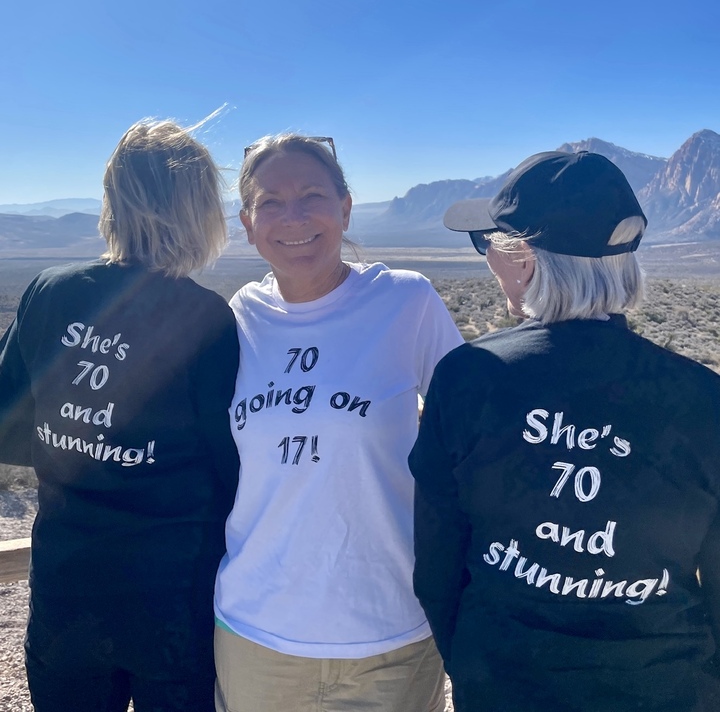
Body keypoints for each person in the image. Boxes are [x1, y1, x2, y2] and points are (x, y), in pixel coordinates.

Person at [409, 149, 720, 712]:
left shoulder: (469, 377)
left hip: (504, 684)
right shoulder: (703, 398)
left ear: (525, 259)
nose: (487, 261)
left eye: (487, 243)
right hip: (665, 688)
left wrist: (471, 663)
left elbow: (437, 562)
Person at [213, 133, 464, 712]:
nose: (293, 217)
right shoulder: (238, 318)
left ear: (346, 208)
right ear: (248, 224)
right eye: (270, 202)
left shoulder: (406, 302)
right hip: (257, 634)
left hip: (392, 633)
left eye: (312, 195)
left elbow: (471, 434)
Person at [0, 118, 240, 712]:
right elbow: (234, 464)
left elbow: (7, 427)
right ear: (199, 210)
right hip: (174, 602)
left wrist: (79, 448)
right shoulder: (207, 318)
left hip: (66, 591)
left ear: (113, 200)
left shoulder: (49, 291)